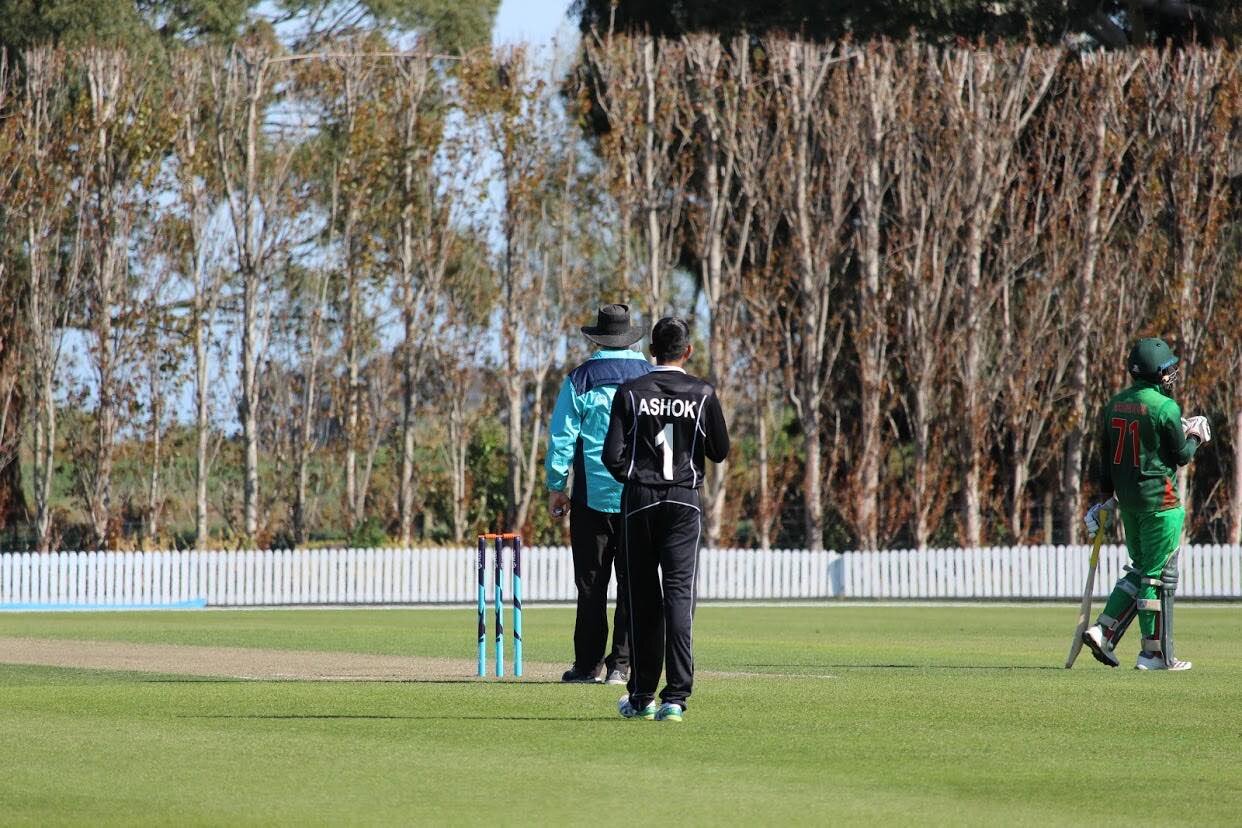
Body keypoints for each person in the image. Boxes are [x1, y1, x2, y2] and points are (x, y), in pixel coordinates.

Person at [602, 317, 729, 721]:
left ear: (651, 351)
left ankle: (641, 696)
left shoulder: (631, 390)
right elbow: (720, 451)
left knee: (641, 599)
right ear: (687, 351)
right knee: (678, 596)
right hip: (684, 501)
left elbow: (612, 456)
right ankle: (676, 697)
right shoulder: (703, 394)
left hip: (640, 500)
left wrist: (638, 477)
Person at [1080, 337, 1211, 671]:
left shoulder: (1114, 404)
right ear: (1159, 372)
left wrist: (1104, 500)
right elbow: (1181, 456)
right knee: (1155, 577)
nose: (1172, 374)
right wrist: (1195, 435)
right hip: (1161, 503)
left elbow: (1105, 459)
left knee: (1139, 570)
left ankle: (1104, 630)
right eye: (1168, 369)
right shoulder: (1165, 407)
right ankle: (1153, 654)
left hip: (1129, 504)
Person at [546, 304, 653, 684]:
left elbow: (562, 437)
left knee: (591, 585)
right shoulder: (650, 375)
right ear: (630, 338)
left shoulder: (580, 378)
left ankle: (588, 665)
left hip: (591, 496)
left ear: (596, 337)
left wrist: (557, 488)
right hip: (639, 495)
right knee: (632, 583)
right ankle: (621, 666)